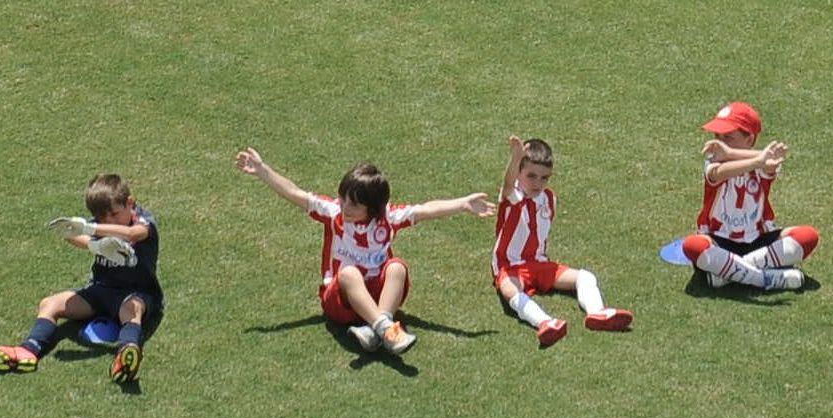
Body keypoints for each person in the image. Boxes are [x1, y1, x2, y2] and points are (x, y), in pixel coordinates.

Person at [241, 148, 485, 360]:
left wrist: (461, 204)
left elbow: (424, 210)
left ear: (373, 209)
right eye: (343, 198)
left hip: (378, 296)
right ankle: (387, 329)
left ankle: (376, 328)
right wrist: (263, 171)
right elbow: (296, 194)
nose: (344, 206)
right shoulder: (333, 212)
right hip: (340, 301)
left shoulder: (387, 218)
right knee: (348, 273)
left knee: (397, 266)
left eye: (354, 204)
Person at [0, 172, 160, 386]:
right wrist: (94, 245)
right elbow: (69, 234)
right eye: (102, 219)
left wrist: (92, 229)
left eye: (115, 215)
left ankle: (126, 355)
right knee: (50, 304)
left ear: (130, 203)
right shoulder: (102, 222)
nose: (110, 222)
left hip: (137, 293)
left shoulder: (144, 220)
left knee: (130, 311)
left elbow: (133, 234)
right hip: (101, 290)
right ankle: (28, 350)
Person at [487, 136, 631, 343]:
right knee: (510, 290)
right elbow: (507, 185)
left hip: (539, 263)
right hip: (509, 267)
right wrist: (515, 156)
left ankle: (598, 312)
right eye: (531, 176)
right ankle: (545, 322)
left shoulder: (548, 198)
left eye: (544, 178)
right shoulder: (514, 197)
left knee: (585, 277)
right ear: (519, 172)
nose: (538, 183)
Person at [681, 100, 819, 292]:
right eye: (717, 136)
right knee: (693, 245)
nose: (720, 142)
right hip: (720, 240)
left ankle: (727, 274)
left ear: (749, 139)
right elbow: (718, 173)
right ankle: (763, 278)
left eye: (728, 137)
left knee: (808, 236)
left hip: (758, 240)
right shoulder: (715, 161)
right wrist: (752, 158)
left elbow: (769, 165)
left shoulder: (765, 161)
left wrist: (750, 158)